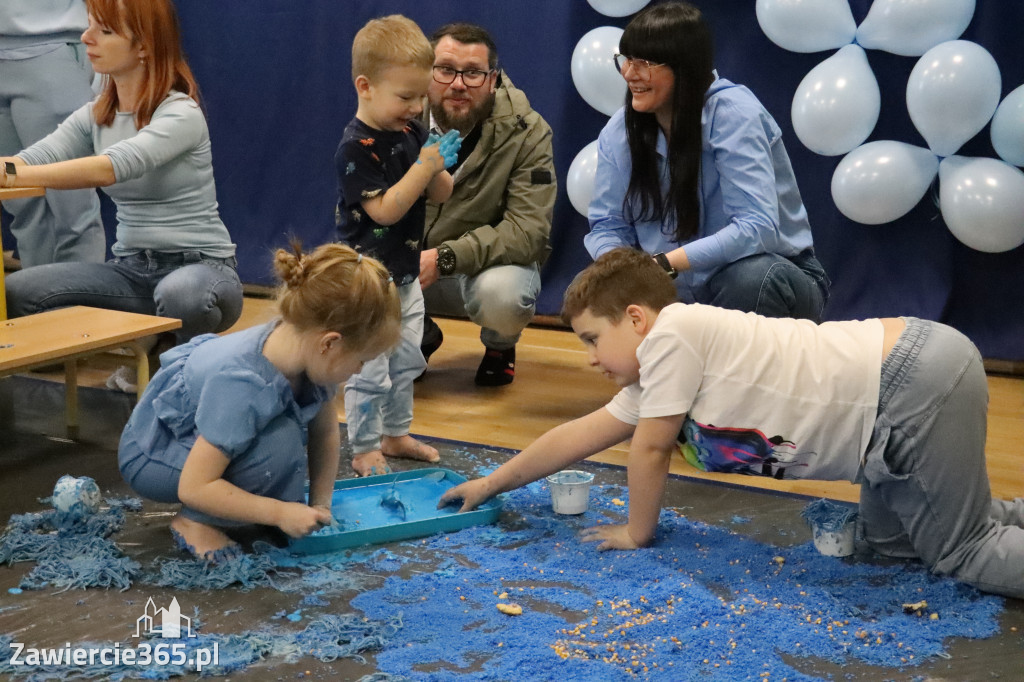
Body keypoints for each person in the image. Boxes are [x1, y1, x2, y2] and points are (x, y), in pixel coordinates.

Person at [441, 247, 1024, 599]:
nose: (591, 358)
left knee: (962, 554)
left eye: (595, 339)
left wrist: (636, 533)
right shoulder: (662, 370)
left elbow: (649, 452)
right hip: (898, 402)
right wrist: (491, 484)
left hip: (909, 385)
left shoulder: (672, 334)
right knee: (892, 551)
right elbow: (577, 435)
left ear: (636, 318)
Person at [1, 0, 243, 390]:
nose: (85, 37)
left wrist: (13, 176)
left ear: (144, 46)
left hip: (204, 270)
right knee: (15, 292)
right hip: (131, 272)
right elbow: (33, 158)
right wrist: (7, 170)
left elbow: (110, 166)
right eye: (90, 26)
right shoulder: (96, 113)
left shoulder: (181, 113)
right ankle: (148, 346)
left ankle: (171, 365)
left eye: (105, 31)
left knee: (181, 295)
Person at [119, 242, 402, 560]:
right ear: (330, 344)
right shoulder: (242, 384)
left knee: (281, 443)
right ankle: (194, 522)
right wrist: (279, 513)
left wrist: (320, 505)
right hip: (155, 451)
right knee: (278, 447)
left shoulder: (307, 350)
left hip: (203, 437)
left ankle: (240, 505)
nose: (360, 371)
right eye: (362, 360)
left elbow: (325, 433)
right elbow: (194, 486)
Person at [585, 1, 829, 322]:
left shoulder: (732, 113)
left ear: (684, 67)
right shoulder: (621, 129)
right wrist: (623, 269)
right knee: (592, 285)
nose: (629, 74)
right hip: (672, 285)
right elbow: (607, 225)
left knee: (751, 280)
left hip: (773, 274)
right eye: (626, 60)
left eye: (643, 62)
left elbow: (757, 228)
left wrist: (662, 265)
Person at [335, 15, 459, 477]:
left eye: (421, 96)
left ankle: (395, 432)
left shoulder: (410, 132)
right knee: (369, 368)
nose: (415, 107)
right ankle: (365, 445)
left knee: (407, 359)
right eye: (405, 97)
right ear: (365, 86)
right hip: (367, 281)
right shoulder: (355, 147)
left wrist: (441, 162)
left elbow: (441, 194)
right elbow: (385, 211)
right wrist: (424, 168)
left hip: (405, 275)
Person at [418, 22, 556, 386]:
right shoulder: (394, 114)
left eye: (474, 73)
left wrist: (446, 255)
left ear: (493, 79)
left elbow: (529, 232)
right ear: (425, 71)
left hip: (481, 270)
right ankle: (418, 333)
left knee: (502, 296)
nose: (459, 84)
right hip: (411, 263)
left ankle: (499, 344)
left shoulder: (529, 131)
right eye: (446, 70)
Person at [0, 0, 105, 267]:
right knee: (21, 206)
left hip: (51, 46)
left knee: (72, 208)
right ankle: (39, 303)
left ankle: (80, 305)